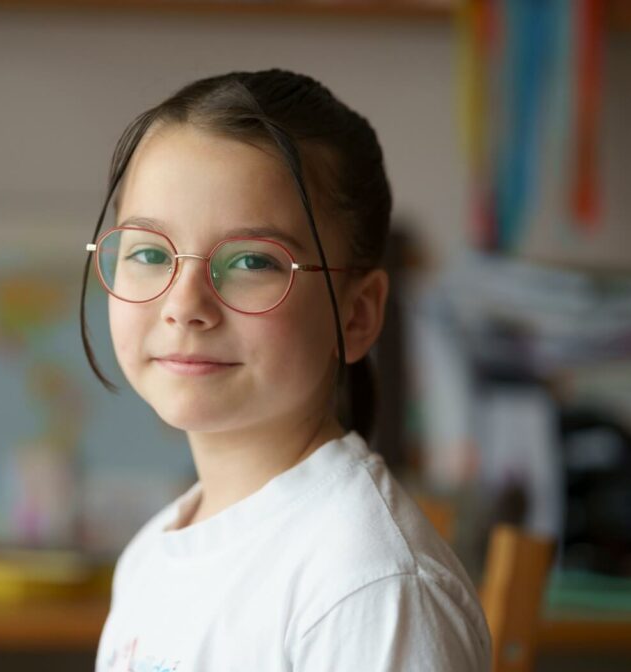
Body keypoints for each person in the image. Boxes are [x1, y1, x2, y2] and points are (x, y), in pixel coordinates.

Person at [80, 69, 491, 671]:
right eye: (148, 253)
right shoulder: (151, 557)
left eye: (252, 261)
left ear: (356, 315)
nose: (185, 306)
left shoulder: (369, 589)